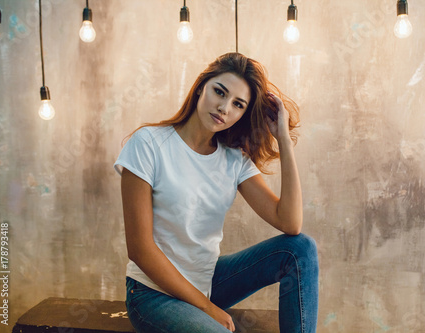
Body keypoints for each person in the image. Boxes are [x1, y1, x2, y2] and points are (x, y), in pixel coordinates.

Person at [114, 52, 318, 333]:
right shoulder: (148, 144)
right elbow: (140, 250)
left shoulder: (234, 160)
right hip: (152, 294)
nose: (224, 108)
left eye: (237, 104)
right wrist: (208, 309)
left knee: (299, 249)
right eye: (219, 92)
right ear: (201, 87)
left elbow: (290, 223)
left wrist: (283, 138)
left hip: (206, 282)